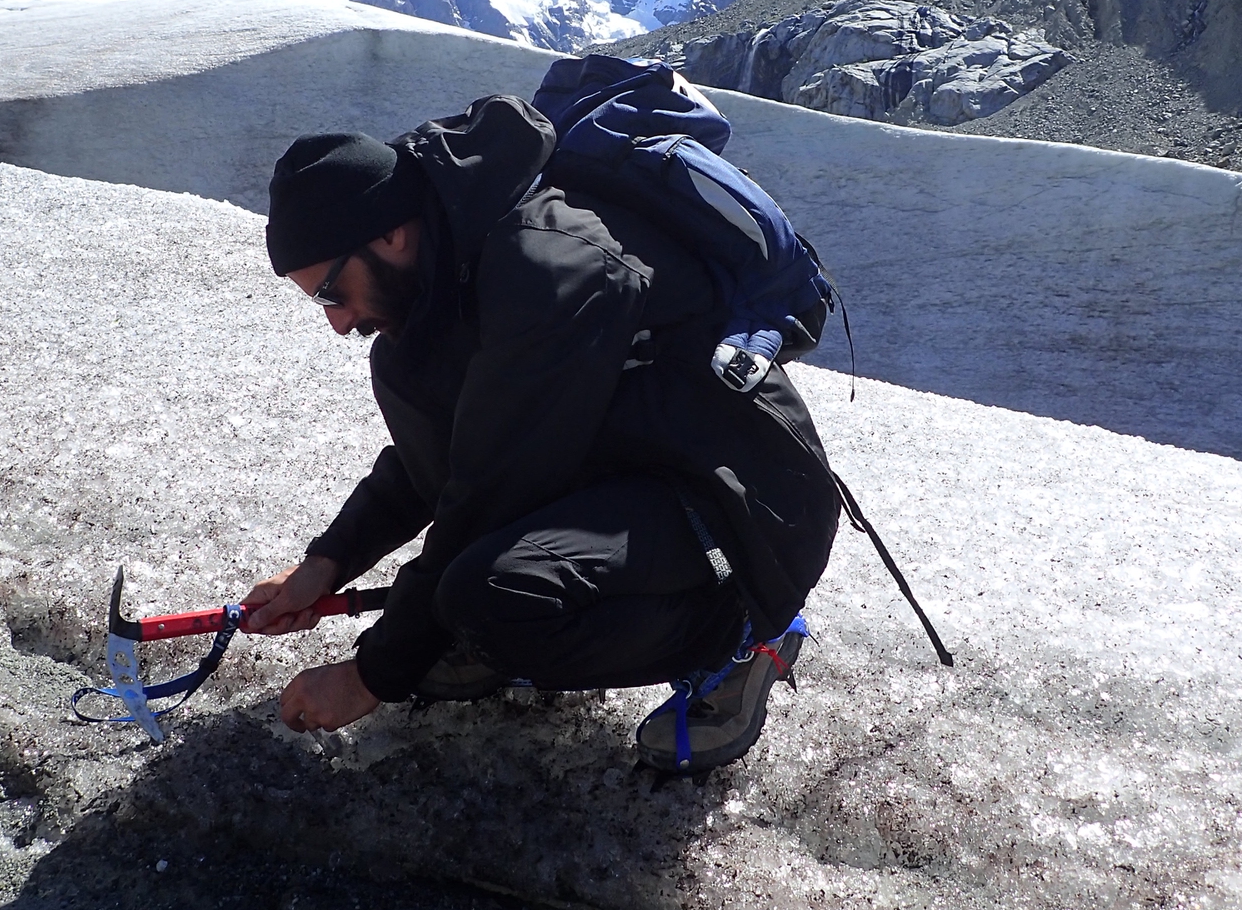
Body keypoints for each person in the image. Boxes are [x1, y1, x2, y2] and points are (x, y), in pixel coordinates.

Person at [239, 92, 841, 773]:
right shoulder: (439, 287)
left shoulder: (549, 268)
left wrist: (370, 675)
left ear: (389, 234)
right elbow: (441, 458)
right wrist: (326, 563)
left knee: (488, 599)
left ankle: (740, 639)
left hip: (736, 504)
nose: (338, 323)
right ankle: (484, 640)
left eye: (330, 293)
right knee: (455, 552)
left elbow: (489, 487)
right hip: (626, 477)